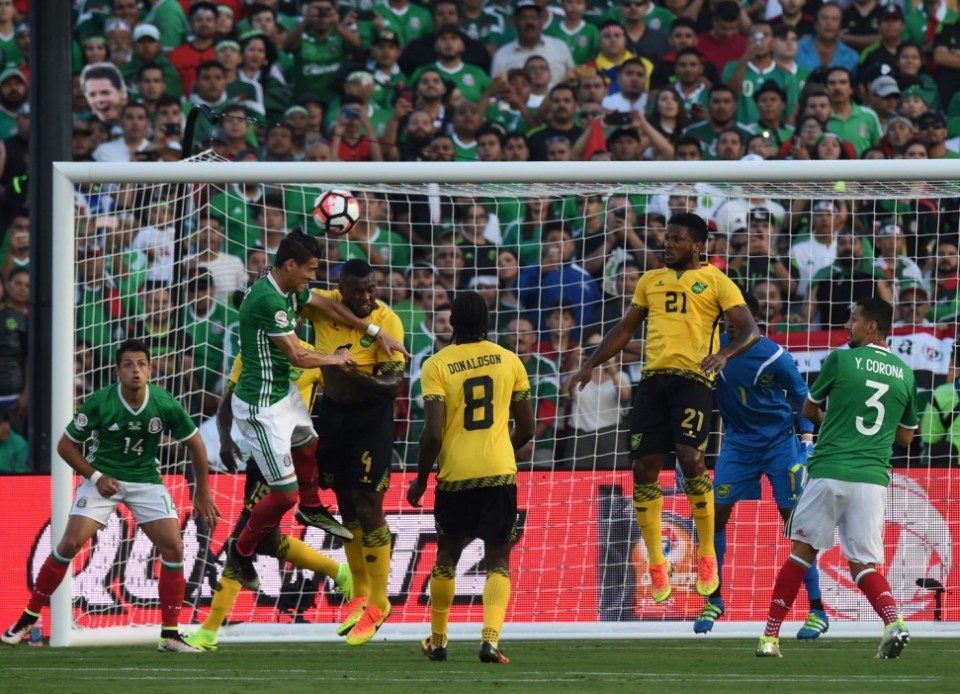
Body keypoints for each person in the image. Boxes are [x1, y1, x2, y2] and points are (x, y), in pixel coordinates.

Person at [567, 212, 760, 604]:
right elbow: (624, 330)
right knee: (642, 468)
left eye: (675, 239)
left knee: (691, 459)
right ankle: (657, 563)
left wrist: (724, 354)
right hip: (652, 382)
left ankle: (707, 552)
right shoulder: (649, 281)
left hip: (693, 381)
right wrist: (590, 364)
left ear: (697, 245)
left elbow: (750, 330)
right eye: (666, 238)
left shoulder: (718, 282)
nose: (666, 244)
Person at [1, 339, 220, 652]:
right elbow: (65, 445)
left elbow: (196, 444)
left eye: (141, 364)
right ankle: (26, 619)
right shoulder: (101, 402)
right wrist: (96, 476)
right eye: (128, 364)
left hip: (146, 479)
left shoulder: (164, 402)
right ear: (117, 370)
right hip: (103, 478)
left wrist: (202, 493)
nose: (135, 370)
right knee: (70, 543)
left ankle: (170, 633)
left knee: (173, 548)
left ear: (150, 369)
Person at [224, 232, 405, 592]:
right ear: (290, 265)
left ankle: (311, 506)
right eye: (310, 270)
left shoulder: (289, 290)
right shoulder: (268, 301)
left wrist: (372, 330)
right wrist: (337, 359)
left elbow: (324, 305)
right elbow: (299, 356)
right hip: (261, 407)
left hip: (283, 397)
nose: (312, 277)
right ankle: (239, 551)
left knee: (309, 445)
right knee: (283, 496)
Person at [757, 297, 917, 659]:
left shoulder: (841, 359)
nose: (848, 325)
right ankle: (894, 622)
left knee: (802, 553)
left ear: (871, 326)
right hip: (873, 478)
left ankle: (769, 638)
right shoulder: (906, 374)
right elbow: (907, 437)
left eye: (854, 319)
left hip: (830, 470)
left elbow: (809, 409)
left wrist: (838, 424)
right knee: (863, 564)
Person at [185, 348, 353, 652]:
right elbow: (227, 401)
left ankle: (209, 631)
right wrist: (224, 438)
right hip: (259, 453)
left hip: (289, 455)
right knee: (266, 541)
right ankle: (340, 573)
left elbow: (335, 404)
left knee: (243, 536)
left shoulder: (313, 357)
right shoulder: (248, 353)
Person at [408, 290, 535, 664]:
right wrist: (501, 450)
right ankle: (490, 640)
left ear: (451, 323)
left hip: (455, 475)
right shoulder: (509, 360)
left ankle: (439, 639)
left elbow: (432, 433)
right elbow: (527, 427)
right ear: (487, 322)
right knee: (498, 559)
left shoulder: (437, 364)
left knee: (447, 554)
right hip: (498, 472)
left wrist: (420, 478)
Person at [692, 293, 827, 639]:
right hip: (737, 444)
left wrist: (805, 446)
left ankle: (816, 609)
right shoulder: (711, 350)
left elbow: (802, 398)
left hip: (778, 443)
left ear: (748, 320)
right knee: (714, 516)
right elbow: (699, 398)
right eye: (724, 319)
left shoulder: (774, 356)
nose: (726, 325)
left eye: (732, 319)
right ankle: (715, 599)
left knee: (795, 524)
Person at [301, 259, 406, 646]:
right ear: (339, 288)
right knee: (344, 502)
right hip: (332, 416)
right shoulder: (321, 304)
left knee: (368, 506)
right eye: (357, 291)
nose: (366, 298)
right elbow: (290, 290)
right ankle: (360, 593)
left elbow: (394, 382)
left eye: (371, 289)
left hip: (371, 419)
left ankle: (380, 600)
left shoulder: (388, 319)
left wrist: (355, 375)